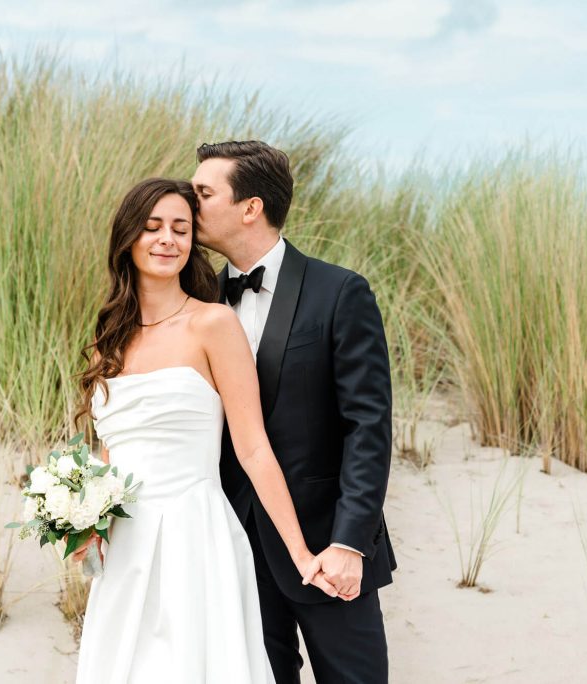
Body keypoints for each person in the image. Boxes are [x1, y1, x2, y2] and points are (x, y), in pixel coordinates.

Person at [71, 177, 337, 683]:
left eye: (180, 228)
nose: (166, 239)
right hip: (126, 547)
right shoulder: (109, 338)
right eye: (151, 228)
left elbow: (254, 447)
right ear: (128, 239)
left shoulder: (213, 324)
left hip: (196, 535)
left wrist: (301, 552)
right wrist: (86, 525)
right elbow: (109, 454)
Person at [191, 140, 397, 684]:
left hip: (327, 550)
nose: (190, 204)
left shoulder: (340, 292)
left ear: (250, 207)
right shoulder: (200, 303)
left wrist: (351, 542)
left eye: (204, 192)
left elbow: (368, 428)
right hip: (233, 545)